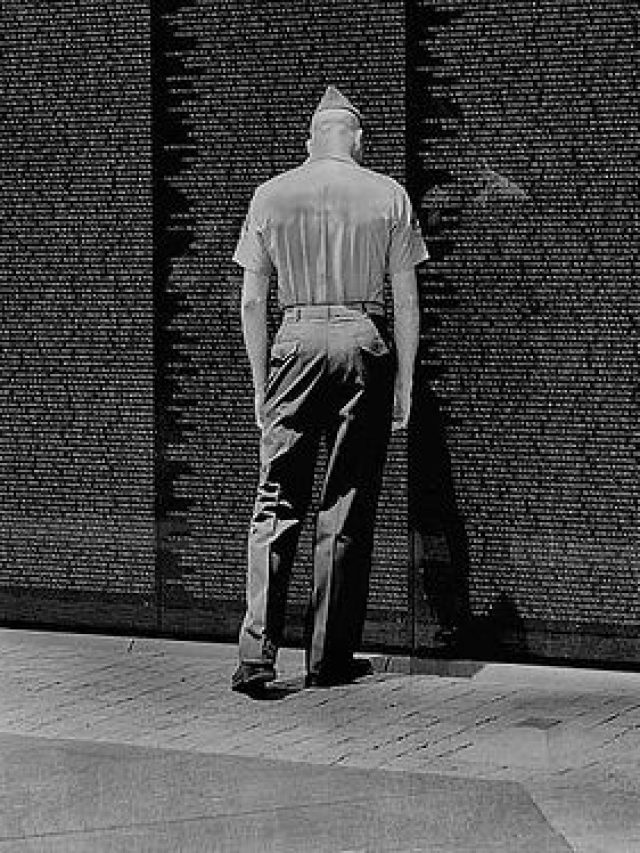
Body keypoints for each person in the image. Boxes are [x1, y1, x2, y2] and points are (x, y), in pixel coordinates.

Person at [231, 85, 428, 694]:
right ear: (358, 139)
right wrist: (406, 381)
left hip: (293, 338)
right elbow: (405, 300)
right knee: (344, 504)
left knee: (275, 499)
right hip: (362, 339)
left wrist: (263, 384)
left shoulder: (271, 194)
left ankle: (256, 657)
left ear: (311, 138)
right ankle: (328, 658)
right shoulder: (388, 194)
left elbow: (250, 301)